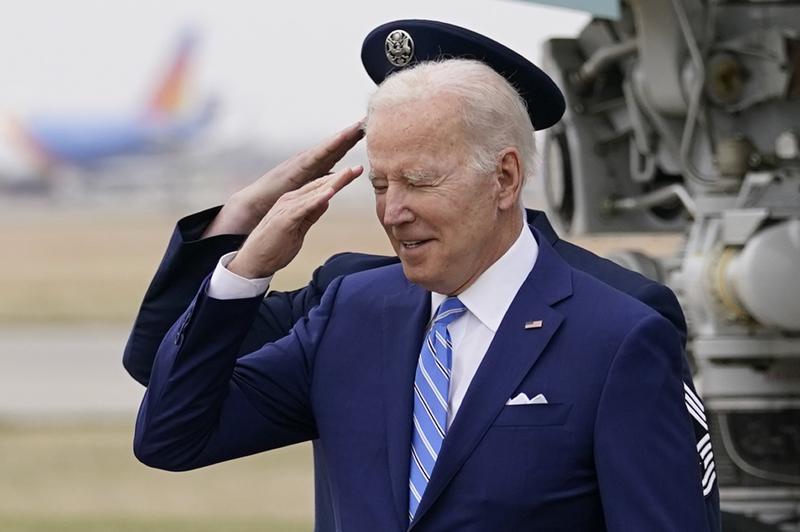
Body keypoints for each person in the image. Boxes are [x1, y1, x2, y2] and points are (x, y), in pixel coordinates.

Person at [132, 29, 717, 529]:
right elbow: (171, 436)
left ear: (505, 178)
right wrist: (245, 268)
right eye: (381, 186)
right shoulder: (352, 313)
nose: (392, 212)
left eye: (419, 181)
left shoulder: (618, 335)